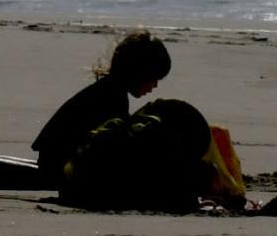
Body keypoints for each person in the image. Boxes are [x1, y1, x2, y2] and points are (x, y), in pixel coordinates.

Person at [32, 29, 172, 186]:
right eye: (154, 78)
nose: (155, 85)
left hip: (54, 159)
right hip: (59, 164)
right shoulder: (110, 97)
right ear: (138, 73)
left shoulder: (109, 89)